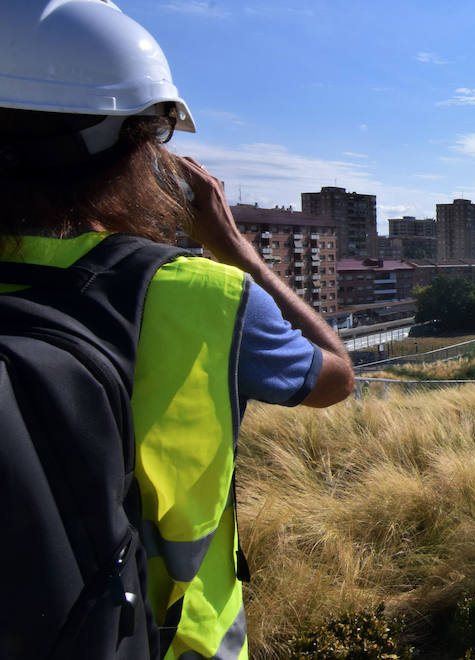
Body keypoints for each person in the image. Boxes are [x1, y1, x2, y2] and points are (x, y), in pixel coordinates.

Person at [0, 1, 354, 658]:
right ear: (136, 149)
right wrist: (233, 245)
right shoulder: (197, 293)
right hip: (176, 639)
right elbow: (335, 375)